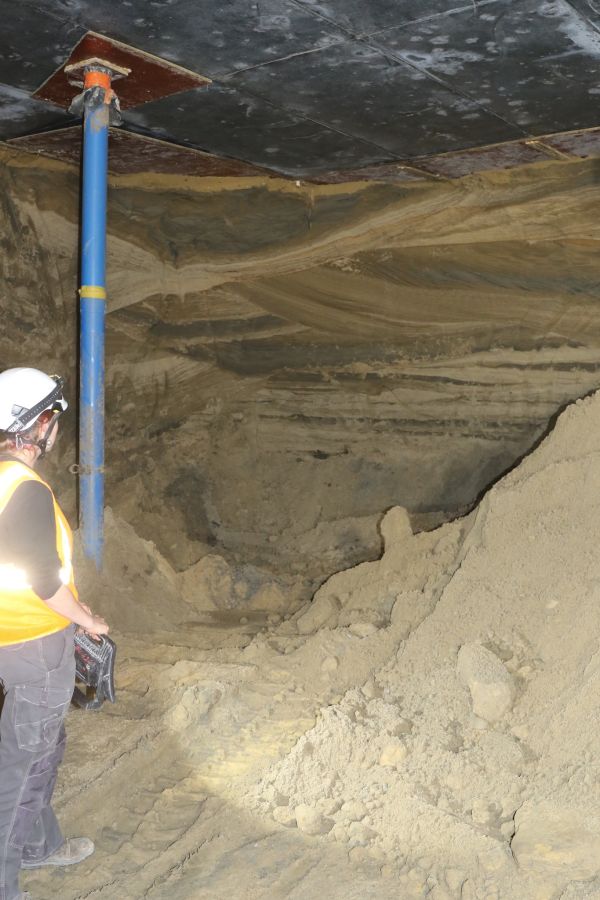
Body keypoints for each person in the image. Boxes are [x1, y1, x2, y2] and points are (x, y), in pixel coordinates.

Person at [0, 367, 109, 900]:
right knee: (21, 766)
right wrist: (87, 619)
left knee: (41, 746)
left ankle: (40, 846)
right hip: (36, 644)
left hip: (11, 636)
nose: (56, 427)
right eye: (54, 416)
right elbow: (43, 579)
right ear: (39, 425)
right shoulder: (26, 490)